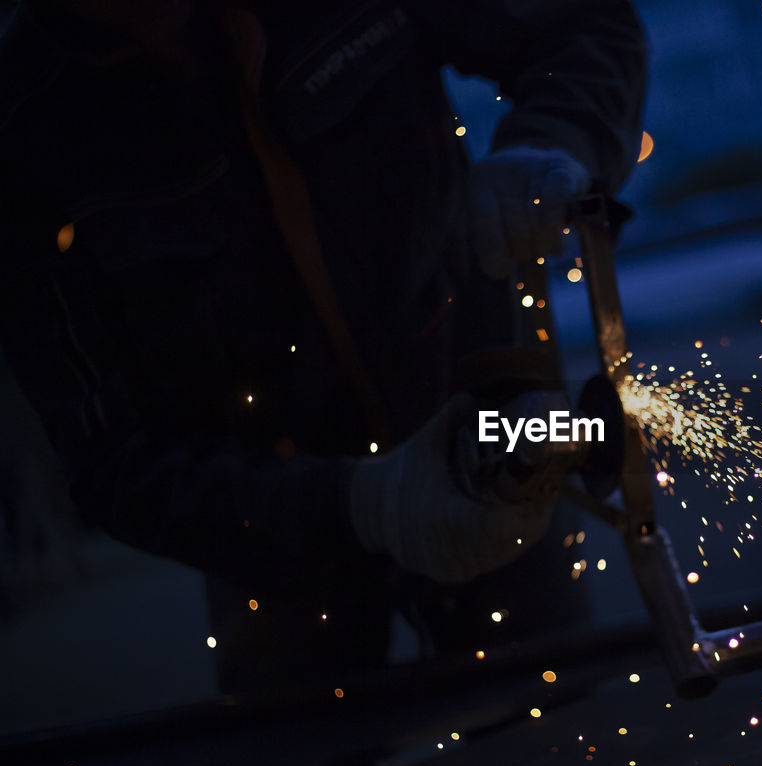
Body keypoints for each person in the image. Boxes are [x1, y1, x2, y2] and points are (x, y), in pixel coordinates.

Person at [0, 0, 646, 690]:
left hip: (484, 445)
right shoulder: (22, 121)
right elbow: (111, 465)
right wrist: (360, 506)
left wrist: (550, 142)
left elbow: (584, 23)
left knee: (561, 754)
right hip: (269, 537)